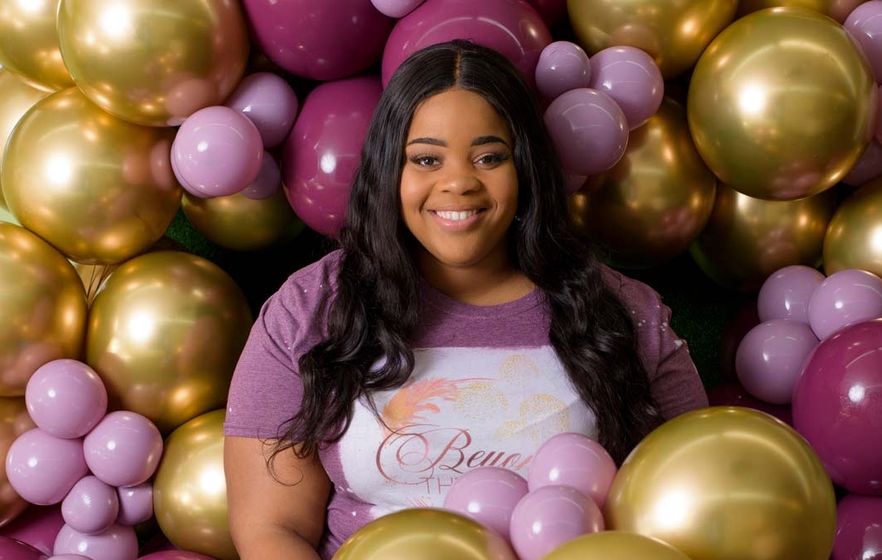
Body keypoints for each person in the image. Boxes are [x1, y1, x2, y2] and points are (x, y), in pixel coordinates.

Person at [223, 39, 708, 559]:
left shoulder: (624, 314)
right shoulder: (310, 309)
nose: (458, 182)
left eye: (489, 157)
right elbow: (273, 529)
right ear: (390, 170)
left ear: (525, 167)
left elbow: (689, 502)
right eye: (426, 159)